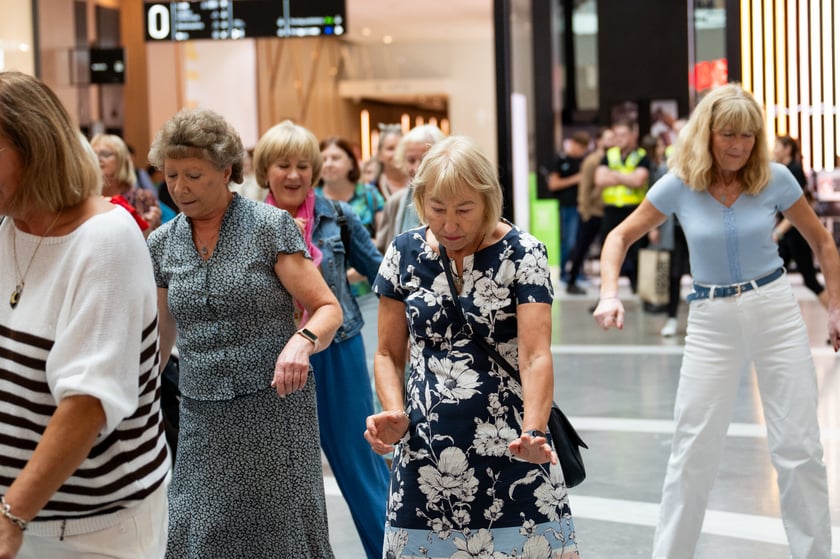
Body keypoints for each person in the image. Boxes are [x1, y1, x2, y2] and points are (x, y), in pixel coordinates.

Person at [593, 83, 839, 559]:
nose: (738, 145)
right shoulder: (679, 182)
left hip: (774, 311)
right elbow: (619, 237)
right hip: (710, 318)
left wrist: (835, 307)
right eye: (728, 133)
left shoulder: (775, 178)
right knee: (692, 451)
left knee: (800, 449)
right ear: (707, 133)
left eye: (748, 135)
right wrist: (609, 294)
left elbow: (823, 243)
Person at [365, 136, 580, 558]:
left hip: (515, 446)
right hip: (426, 453)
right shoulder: (404, 252)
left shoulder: (523, 253)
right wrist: (393, 412)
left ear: (488, 201)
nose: (449, 224)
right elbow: (388, 353)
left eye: (464, 210)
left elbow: (536, 354)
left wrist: (534, 429)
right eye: (437, 209)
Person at [146, 108, 343, 558]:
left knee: (282, 535)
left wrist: (301, 341)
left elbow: (327, 308)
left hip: (273, 409)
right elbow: (159, 336)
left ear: (226, 170)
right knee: (200, 529)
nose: (179, 187)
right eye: (172, 174)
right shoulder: (161, 244)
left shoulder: (268, 227)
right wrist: (137, 391)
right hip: (201, 415)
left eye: (193, 174)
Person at [0, 71, 169, 558]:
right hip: (23, 514)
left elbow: (88, 402)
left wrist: (13, 512)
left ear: (36, 148)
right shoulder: (9, 227)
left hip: (93, 529)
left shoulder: (105, 238)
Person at [253, 121, 389, 559]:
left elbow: (384, 275)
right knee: (280, 473)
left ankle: (394, 551)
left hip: (338, 348)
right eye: (282, 165)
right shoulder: (246, 223)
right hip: (274, 357)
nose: (294, 175)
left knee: (358, 460)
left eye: (303, 165)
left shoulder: (338, 216)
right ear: (264, 171)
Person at [594, 119, 652, 292]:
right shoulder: (609, 155)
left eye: (623, 135)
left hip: (634, 209)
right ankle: (607, 289)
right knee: (608, 248)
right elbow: (599, 179)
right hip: (611, 209)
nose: (619, 139)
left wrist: (613, 174)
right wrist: (627, 177)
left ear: (633, 135)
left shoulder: (641, 156)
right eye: (616, 135)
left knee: (637, 251)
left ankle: (639, 288)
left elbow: (638, 181)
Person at [772, 135, 829, 308]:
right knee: (773, 278)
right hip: (788, 237)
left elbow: (799, 207)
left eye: (777, 146)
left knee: (810, 281)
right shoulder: (785, 169)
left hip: (796, 235)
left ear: (787, 149)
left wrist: (778, 231)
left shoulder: (793, 170)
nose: (774, 150)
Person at [375, 123, 446, 253]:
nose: (418, 168)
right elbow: (382, 254)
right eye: (411, 160)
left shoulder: (454, 200)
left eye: (425, 159)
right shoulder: (395, 202)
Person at [565, 126, 616, 295]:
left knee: (608, 248)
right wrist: (584, 209)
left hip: (609, 210)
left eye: (612, 138)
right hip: (592, 211)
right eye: (607, 138)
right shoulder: (592, 161)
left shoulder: (615, 159)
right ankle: (572, 279)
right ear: (599, 141)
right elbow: (585, 187)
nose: (610, 142)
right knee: (581, 246)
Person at [91, 133, 162, 236]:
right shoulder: (88, 200)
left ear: (122, 160)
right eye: (93, 154)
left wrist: (148, 230)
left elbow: (157, 245)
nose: (98, 159)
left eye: (105, 154)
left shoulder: (142, 198)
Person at [318, 136, 385, 238]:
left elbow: (384, 238)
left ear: (351, 163)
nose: (328, 164)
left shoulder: (370, 194)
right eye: (323, 159)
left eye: (335, 158)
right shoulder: (311, 197)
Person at [548, 130, 590, 282]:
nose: (581, 152)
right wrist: (576, 179)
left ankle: (577, 272)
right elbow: (554, 184)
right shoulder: (560, 160)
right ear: (573, 144)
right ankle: (564, 272)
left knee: (581, 241)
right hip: (568, 207)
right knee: (569, 241)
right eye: (580, 147)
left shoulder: (583, 161)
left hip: (583, 206)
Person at [375, 123, 409, 199]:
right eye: (390, 148)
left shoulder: (417, 184)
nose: (397, 153)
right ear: (379, 155)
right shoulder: (372, 188)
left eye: (401, 147)